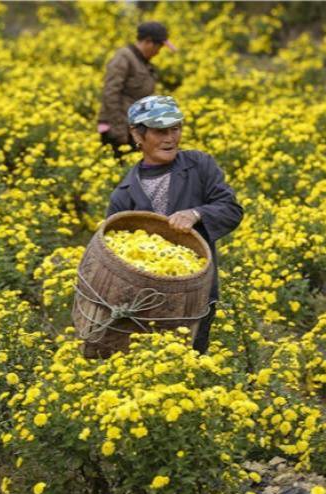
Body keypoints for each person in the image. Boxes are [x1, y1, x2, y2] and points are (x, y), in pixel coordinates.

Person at [106, 95, 243, 354]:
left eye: (175, 129)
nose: (170, 138)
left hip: (196, 293)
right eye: (160, 131)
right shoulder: (123, 195)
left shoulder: (199, 165)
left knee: (192, 359)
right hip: (145, 304)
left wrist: (196, 213)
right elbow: (112, 253)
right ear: (137, 134)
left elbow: (231, 209)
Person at [97, 21, 175, 156]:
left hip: (132, 128)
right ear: (148, 42)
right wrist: (119, 131)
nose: (159, 52)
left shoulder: (142, 61)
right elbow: (110, 93)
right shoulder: (124, 57)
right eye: (159, 47)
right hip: (117, 130)